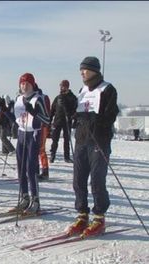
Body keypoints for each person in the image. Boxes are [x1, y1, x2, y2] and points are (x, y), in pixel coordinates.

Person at [67, 56, 119, 237]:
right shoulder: (82, 90)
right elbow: (78, 112)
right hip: (82, 140)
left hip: (99, 141)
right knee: (78, 180)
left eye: (86, 69)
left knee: (97, 181)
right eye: (81, 70)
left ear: (95, 71)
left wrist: (95, 119)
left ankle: (99, 217)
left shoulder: (107, 89)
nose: (82, 72)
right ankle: (82, 215)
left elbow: (111, 115)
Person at [11, 73, 50, 213]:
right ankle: (25, 196)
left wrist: (34, 112)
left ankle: (35, 199)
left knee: (31, 168)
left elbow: (46, 120)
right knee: (20, 167)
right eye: (21, 83)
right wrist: (4, 111)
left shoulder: (38, 99)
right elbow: (16, 118)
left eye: (27, 83)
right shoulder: (19, 99)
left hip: (33, 134)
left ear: (32, 84)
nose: (24, 85)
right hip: (21, 133)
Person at [50, 80, 77, 163]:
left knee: (66, 139)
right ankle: (52, 155)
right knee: (55, 139)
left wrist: (71, 116)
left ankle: (67, 157)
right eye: (61, 86)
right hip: (57, 120)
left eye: (63, 86)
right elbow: (52, 109)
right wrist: (49, 119)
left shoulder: (72, 97)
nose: (62, 88)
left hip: (67, 120)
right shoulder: (58, 97)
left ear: (67, 87)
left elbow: (75, 109)